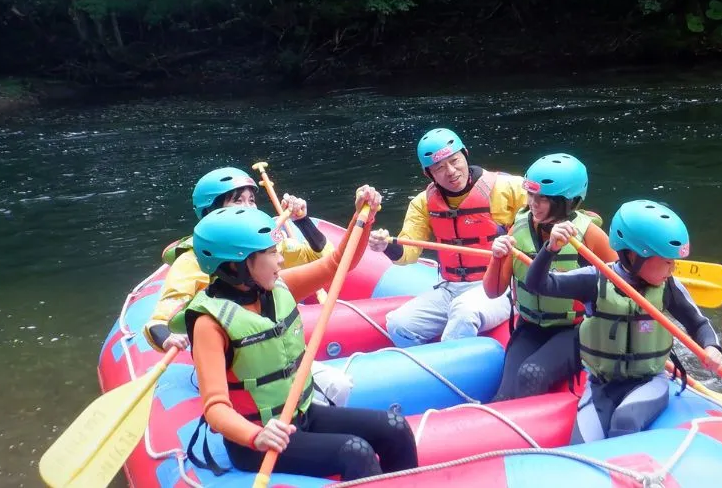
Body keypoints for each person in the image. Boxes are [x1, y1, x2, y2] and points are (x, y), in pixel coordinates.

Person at [182, 186, 419, 480]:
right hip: (258, 439)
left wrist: (362, 217)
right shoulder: (210, 324)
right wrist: (256, 436)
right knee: (355, 451)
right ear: (236, 265)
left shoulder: (278, 287)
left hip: (303, 413)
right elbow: (216, 408)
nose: (280, 260)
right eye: (271, 253)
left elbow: (339, 264)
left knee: (395, 427)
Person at [523, 199, 722, 444]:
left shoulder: (669, 288)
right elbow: (537, 284)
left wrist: (712, 347)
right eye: (667, 261)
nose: (672, 268)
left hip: (649, 381)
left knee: (625, 421)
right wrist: (550, 248)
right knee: (581, 444)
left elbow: (698, 323)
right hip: (600, 385)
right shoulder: (596, 279)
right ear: (634, 255)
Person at [143, 166, 331, 353]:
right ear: (211, 211)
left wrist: (302, 220)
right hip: (232, 352)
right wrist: (167, 339)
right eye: (238, 201)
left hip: (279, 344)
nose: (249, 208)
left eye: (251, 200)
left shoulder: (265, 245)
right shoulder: (193, 260)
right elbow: (159, 322)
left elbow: (318, 258)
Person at [367, 128, 528, 347]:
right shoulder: (422, 203)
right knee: (399, 324)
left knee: (464, 311)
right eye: (439, 168)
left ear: (465, 155)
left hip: (500, 287)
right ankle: (430, 364)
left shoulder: (509, 188)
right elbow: (408, 255)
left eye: (455, 161)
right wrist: (386, 245)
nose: (451, 171)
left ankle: (447, 361)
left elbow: (546, 214)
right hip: (449, 288)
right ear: (429, 174)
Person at [484, 153, 618, 401]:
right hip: (530, 326)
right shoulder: (519, 228)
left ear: (568, 201)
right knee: (504, 396)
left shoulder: (590, 236)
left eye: (543, 198)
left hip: (576, 330)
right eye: (530, 195)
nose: (533, 203)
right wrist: (497, 257)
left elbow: (623, 286)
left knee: (531, 374)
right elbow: (493, 292)